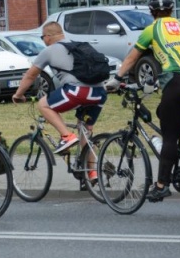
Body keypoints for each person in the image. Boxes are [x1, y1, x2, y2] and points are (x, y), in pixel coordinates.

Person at [115, 0, 180, 203]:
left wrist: (117, 77)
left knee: (169, 136)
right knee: (164, 113)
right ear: (172, 10)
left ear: (152, 12)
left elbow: (132, 58)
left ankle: (161, 186)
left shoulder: (151, 29)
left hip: (178, 81)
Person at [11, 21, 108, 182]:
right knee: (85, 131)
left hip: (78, 91)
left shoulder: (48, 51)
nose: (43, 40)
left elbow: (30, 75)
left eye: (43, 37)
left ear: (48, 37)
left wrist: (18, 94)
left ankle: (66, 136)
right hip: (99, 93)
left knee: (43, 104)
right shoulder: (78, 45)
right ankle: (92, 172)